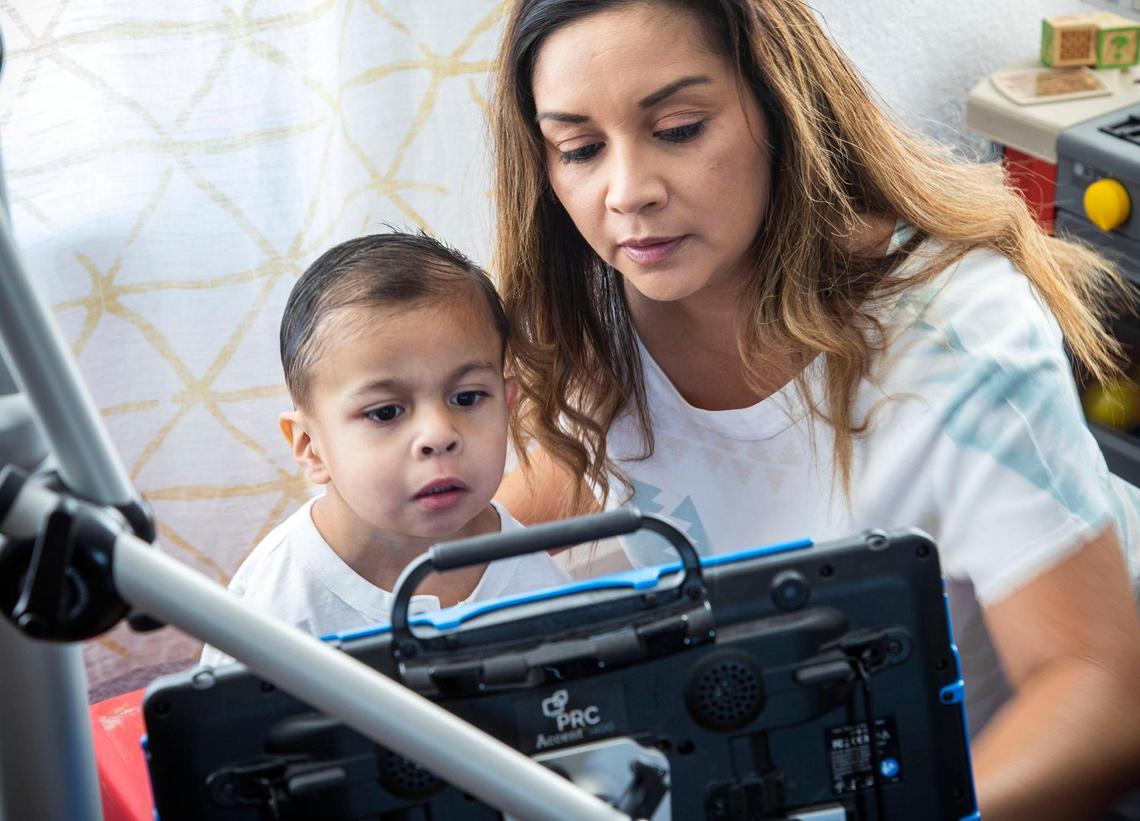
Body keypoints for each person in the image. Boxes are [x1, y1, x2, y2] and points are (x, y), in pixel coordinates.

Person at [490, 1, 1140, 818]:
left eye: (680, 128)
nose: (628, 193)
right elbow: (530, 514)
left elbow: (1101, 697)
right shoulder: (596, 330)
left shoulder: (958, 336)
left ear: (779, 103)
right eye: (580, 149)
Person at [200, 232, 569, 667]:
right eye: (387, 412)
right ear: (310, 446)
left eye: (467, 398)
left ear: (507, 406)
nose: (438, 434)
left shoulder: (531, 573)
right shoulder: (278, 605)